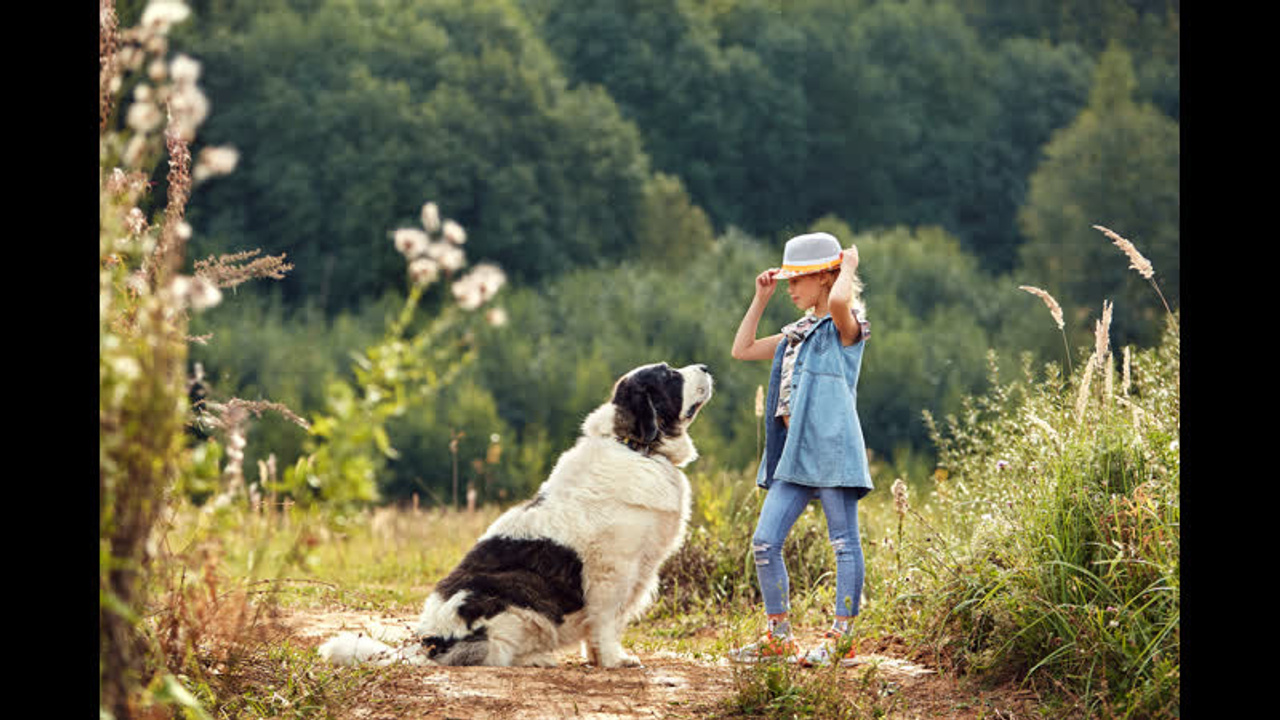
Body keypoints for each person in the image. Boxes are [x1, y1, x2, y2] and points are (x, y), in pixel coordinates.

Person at [727, 231, 874, 667]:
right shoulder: (797, 333)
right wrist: (761, 298)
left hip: (831, 450)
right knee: (764, 542)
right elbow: (742, 349)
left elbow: (839, 304)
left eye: (799, 279)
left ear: (826, 278)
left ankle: (842, 638)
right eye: (788, 280)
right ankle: (779, 637)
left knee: (844, 543)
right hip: (793, 454)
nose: (790, 288)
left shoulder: (845, 328)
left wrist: (848, 266)